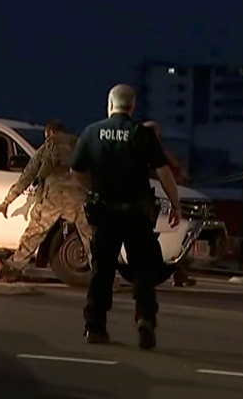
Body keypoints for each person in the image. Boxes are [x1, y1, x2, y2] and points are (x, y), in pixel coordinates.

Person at [70, 83, 182, 350]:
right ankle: (145, 318)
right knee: (144, 268)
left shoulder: (91, 132)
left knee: (102, 270)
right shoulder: (142, 134)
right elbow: (164, 172)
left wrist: (93, 188)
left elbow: (76, 169)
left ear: (110, 104)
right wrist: (175, 205)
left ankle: (95, 327)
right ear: (132, 107)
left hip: (105, 212)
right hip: (137, 214)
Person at [0, 120, 92, 281]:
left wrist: (6, 202)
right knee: (90, 237)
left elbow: (27, 176)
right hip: (79, 197)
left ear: (49, 133)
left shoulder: (47, 147)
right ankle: (103, 275)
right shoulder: (79, 144)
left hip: (53, 198)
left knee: (34, 233)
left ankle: (13, 268)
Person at [142, 120, 196, 288]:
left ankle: (178, 273)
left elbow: (179, 176)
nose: (158, 138)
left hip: (163, 202)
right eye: (156, 135)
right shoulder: (147, 153)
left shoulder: (165, 155)